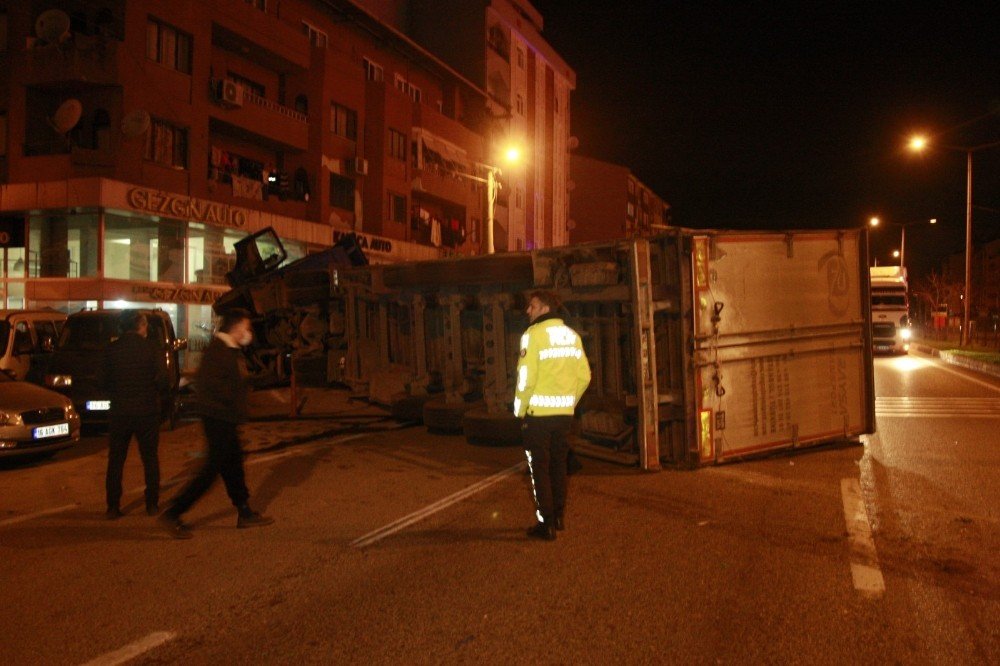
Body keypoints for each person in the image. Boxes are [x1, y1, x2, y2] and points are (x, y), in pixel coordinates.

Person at [159, 309, 272, 539]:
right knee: (210, 471)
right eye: (246, 327)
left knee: (234, 466)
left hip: (225, 419)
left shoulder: (228, 350)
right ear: (236, 327)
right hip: (218, 419)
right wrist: (234, 400)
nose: (248, 332)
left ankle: (244, 512)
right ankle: (173, 512)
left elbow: (232, 382)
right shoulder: (219, 351)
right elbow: (211, 386)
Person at [513, 290, 591, 541]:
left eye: (532, 306)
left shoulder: (532, 336)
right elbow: (585, 377)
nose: (528, 310)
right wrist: (569, 402)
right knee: (559, 466)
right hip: (564, 415)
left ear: (545, 308)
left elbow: (526, 379)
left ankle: (545, 524)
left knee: (539, 469)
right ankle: (558, 517)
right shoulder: (572, 336)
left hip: (537, 415)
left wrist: (519, 409)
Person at [101, 311, 168, 519]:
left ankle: (113, 506)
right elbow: (163, 380)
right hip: (146, 412)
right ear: (140, 326)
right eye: (145, 325)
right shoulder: (151, 349)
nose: (146, 329)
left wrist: (117, 393)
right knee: (149, 459)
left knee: (116, 460)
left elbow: (101, 381)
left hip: (120, 411)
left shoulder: (111, 350)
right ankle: (152, 504)